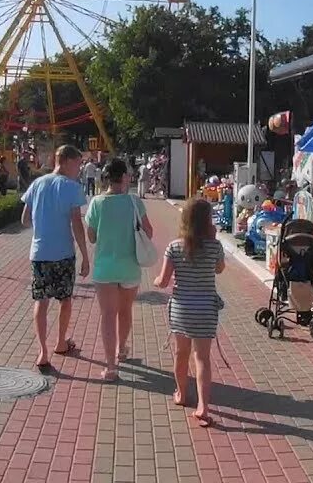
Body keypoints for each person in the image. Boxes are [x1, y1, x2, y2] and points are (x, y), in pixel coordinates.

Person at [154, 198, 225, 427]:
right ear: (207, 221)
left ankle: (182, 393)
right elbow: (219, 269)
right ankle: (203, 406)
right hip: (205, 309)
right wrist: (214, 240)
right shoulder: (214, 246)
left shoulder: (174, 247)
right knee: (202, 358)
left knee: (181, 353)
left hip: (182, 308)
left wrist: (156, 280)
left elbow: (163, 282)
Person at [21, 145, 91, 371]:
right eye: (78, 164)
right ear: (68, 161)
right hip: (63, 253)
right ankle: (61, 342)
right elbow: (77, 224)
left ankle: (42, 351)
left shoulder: (37, 184)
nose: (79, 169)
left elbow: (25, 219)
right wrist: (85, 256)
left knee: (40, 302)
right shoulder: (71, 187)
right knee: (65, 299)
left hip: (39, 253)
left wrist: (43, 223)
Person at [85, 159, 153, 381]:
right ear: (125, 177)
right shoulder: (134, 202)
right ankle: (121, 348)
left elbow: (92, 237)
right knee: (125, 311)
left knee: (107, 315)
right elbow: (149, 232)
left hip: (104, 268)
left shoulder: (97, 203)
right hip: (130, 267)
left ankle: (111, 367)